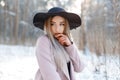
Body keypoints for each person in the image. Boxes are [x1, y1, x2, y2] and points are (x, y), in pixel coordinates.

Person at [33, 7, 84, 80]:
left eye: (61, 24)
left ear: (66, 26)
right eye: (52, 24)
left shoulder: (66, 42)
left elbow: (79, 67)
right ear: (47, 25)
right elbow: (49, 74)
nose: (57, 29)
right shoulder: (43, 41)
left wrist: (69, 46)